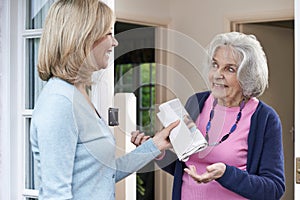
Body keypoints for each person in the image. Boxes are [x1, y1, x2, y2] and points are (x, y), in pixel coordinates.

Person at [30, 1, 179, 199]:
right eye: (109, 33)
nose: (115, 42)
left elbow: (104, 175)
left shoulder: (80, 94)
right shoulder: (60, 102)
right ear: (84, 37)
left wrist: (155, 145)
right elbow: (55, 194)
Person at [132, 32, 285, 199]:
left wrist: (226, 173)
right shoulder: (196, 102)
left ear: (247, 75)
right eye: (215, 65)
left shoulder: (265, 118)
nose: (217, 75)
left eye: (230, 69)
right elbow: (185, 166)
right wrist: (158, 153)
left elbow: (274, 189)